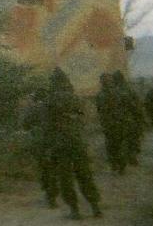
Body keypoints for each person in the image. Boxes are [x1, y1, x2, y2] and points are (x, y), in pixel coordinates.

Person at [44, 68, 101, 220]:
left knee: (65, 177)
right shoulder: (76, 98)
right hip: (77, 142)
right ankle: (95, 207)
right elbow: (83, 119)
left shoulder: (50, 100)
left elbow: (47, 126)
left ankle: (74, 209)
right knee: (84, 174)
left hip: (61, 143)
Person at [21, 89, 58, 207]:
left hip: (40, 142)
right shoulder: (51, 107)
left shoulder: (33, 109)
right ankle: (54, 194)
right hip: (54, 141)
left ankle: (50, 196)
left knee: (44, 169)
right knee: (53, 168)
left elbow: (25, 125)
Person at [95, 73, 127, 173]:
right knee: (119, 144)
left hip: (108, 123)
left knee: (110, 145)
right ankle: (121, 165)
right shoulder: (118, 92)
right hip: (118, 121)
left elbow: (100, 110)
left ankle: (114, 165)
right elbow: (124, 106)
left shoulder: (100, 94)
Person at [111, 70, 144, 165]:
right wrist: (139, 116)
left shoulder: (112, 91)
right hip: (129, 118)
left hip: (116, 119)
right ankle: (132, 156)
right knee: (132, 138)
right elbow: (136, 104)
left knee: (119, 139)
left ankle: (121, 159)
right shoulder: (129, 89)